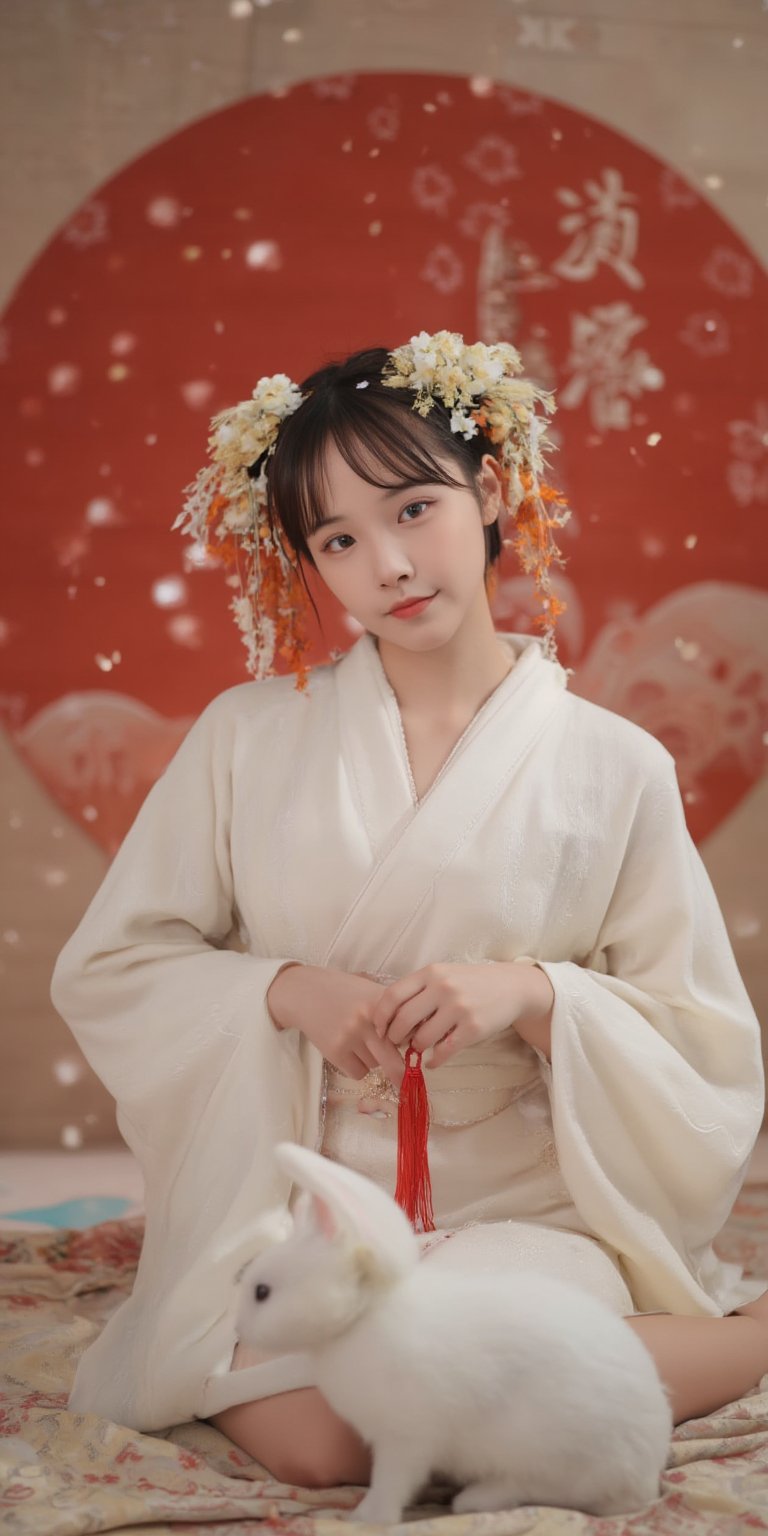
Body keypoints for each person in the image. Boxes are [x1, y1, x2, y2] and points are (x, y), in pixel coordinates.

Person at [51, 331, 768, 1493]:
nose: (388, 563)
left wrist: (538, 995)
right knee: (325, 1441)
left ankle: (747, 1337)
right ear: (309, 565)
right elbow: (113, 965)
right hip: (308, 1193)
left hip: (521, 1200)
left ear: (489, 492)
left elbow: (701, 1037)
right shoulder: (244, 738)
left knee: (419, 1396)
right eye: (338, 539)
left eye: (415, 508)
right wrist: (285, 990)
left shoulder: (613, 762)